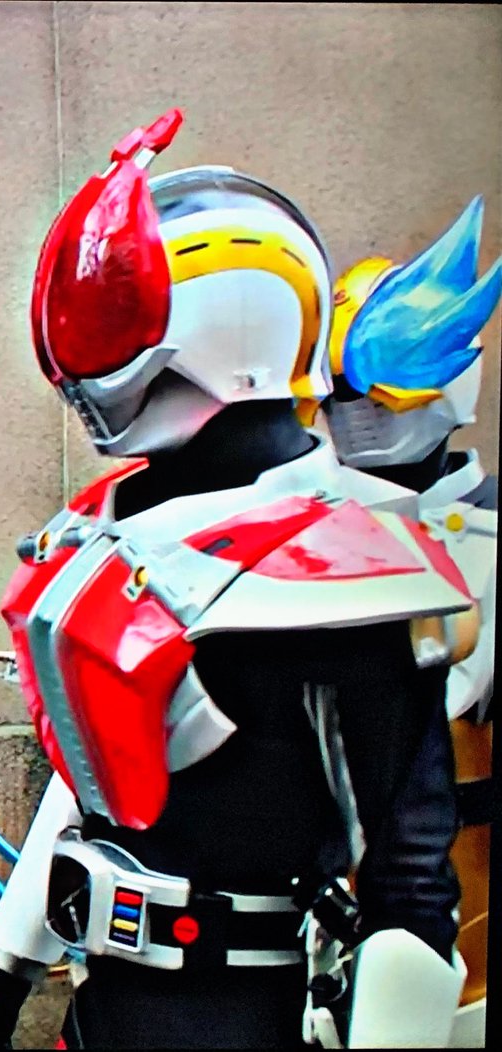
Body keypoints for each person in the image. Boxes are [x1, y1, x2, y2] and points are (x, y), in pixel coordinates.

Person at [0, 110, 476, 1049]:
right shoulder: (109, 526)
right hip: (104, 1006)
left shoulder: (348, 568)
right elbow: (93, 781)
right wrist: (0, 967)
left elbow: (409, 883)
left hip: (242, 1012)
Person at [322, 206, 500, 1046]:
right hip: (317, 919)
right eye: (340, 398)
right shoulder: (305, 532)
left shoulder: (487, 540)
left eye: (378, 394)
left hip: (457, 937)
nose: (358, 417)